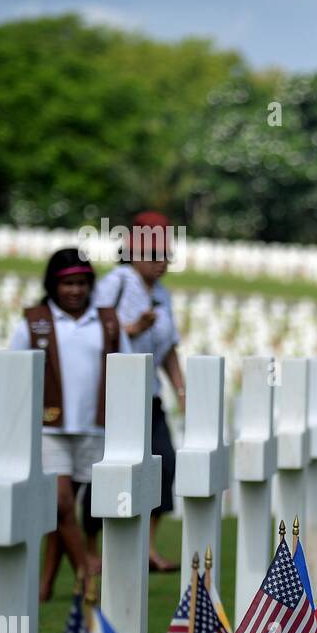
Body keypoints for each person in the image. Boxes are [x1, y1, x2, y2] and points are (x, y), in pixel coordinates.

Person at [9, 248, 130, 601]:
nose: (75, 291)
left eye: (81, 283)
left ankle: (45, 583)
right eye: (67, 284)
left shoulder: (107, 321)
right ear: (53, 285)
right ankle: (86, 572)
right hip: (50, 427)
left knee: (65, 513)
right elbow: (13, 371)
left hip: (93, 427)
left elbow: (124, 368)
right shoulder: (34, 322)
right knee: (61, 505)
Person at [92, 211, 185, 572]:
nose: (162, 261)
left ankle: (147, 547)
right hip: (115, 395)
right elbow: (96, 329)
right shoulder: (115, 283)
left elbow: (169, 346)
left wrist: (181, 388)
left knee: (164, 463)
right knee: (111, 468)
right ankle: (97, 549)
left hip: (149, 394)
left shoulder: (163, 294)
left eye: (166, 254)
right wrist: (131, 327)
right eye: (155, 253)